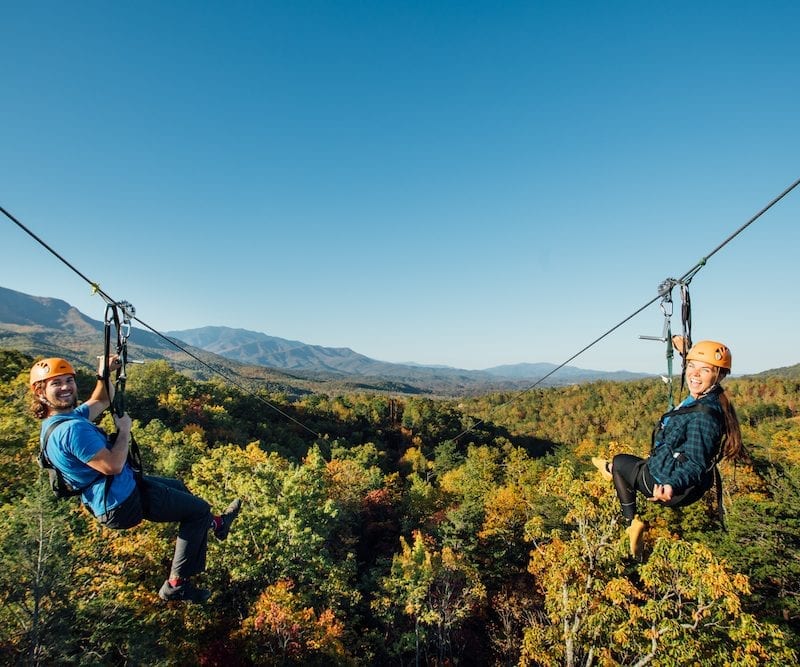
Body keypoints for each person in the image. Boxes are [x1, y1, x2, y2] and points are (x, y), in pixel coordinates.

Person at [30, 356, 242, 603]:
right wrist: (124, 431)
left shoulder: (64, 420)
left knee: (179, 489)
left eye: (69, 380)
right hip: (121, 502)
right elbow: (113, 465)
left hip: (119, 492)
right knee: (197, 511)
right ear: (40, 391)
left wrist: (103, 374)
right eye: (56, 383)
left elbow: (101, 400)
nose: (66, 387)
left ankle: (216, 525)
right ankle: (176, 585)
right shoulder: (72, 430)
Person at [592, 339, 742, 559]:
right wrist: (686, 353)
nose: (695, 374)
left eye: (705, 369)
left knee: (619, 462)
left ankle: (631, 522)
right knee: (628, 465)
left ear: (719, 375)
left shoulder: (703, 417)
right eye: (692, 366)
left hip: (667, 483)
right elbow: (696, 376)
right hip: (676, 472)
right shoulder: (710, 397)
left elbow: (696, 463)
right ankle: (613, 470)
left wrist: (671, 484)